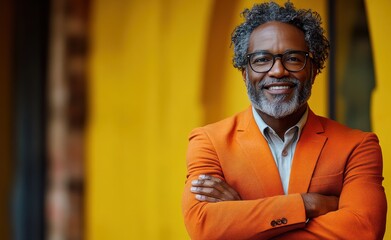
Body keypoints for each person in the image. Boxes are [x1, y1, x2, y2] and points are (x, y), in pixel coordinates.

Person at [182, 1, 387, 240]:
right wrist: (308, 204)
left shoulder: (358, 146)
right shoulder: (210, 143)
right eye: (261, 59)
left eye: (293, 58)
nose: (278, 71)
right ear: (244, 72)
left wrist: (246, 221)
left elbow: (364, 230)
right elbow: (204, 227)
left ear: (314, 68)